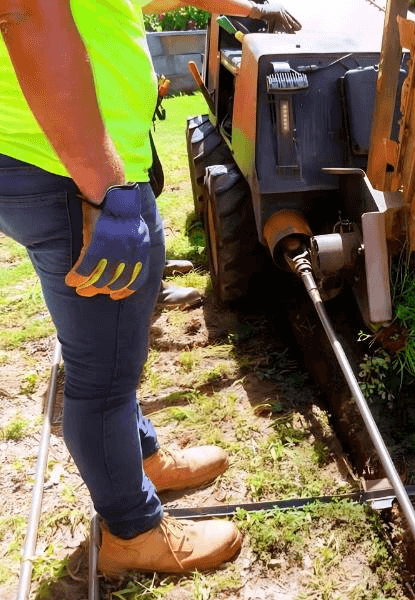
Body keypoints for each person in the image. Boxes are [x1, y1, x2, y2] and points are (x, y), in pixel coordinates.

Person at [0, 0, 298, 576]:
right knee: (102, 376)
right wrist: (104, 187)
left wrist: (250, 8)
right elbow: (29, 14)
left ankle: (142, 458)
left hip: (71, 165)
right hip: (67, 171)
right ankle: (131, 533)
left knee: (116, 347)